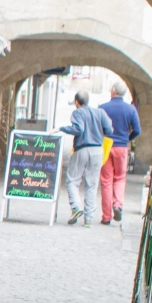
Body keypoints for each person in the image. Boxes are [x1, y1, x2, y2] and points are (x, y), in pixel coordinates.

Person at [59, 91, 114, 227]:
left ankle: (76, 207)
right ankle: (88, 219)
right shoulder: (100, 112)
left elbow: (78, 129)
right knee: (92, 184)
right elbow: (109, 130)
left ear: (76, 102)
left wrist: (62, 128)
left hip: (82, 149)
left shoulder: (78, 113)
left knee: (72, 180)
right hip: (97, 150)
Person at [97, 81, 142, 226]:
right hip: (122, 147)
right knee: (120, 178)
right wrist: (127, 139)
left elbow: (97, 127)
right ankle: (118, 205)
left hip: (106, 146)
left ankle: (106, 217)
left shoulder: (103, 108)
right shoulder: (131, 109)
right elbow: (137, 130)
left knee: (106, 180)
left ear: (112, 91)